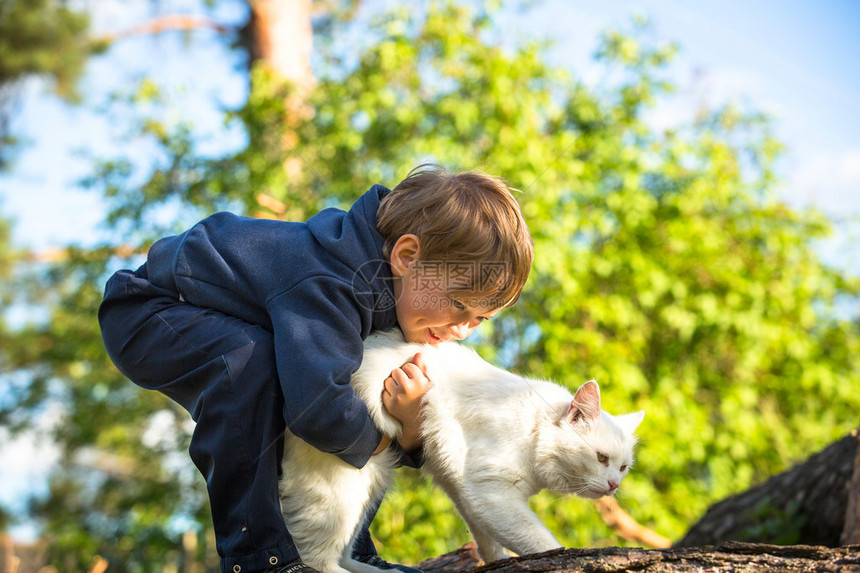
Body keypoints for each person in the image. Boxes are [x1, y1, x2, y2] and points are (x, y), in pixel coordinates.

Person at [98, 164, 534, 573]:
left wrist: (409, 424)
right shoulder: (330, 283)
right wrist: (391, 439)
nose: (462, 329)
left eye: (479, 318)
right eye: (458, 304)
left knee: (361, 386)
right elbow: (316, 409)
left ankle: (348, 552)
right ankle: (258, 557)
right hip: (151, 311)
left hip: (208, 315)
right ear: (406, 256)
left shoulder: (392, 303)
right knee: (250, 365)